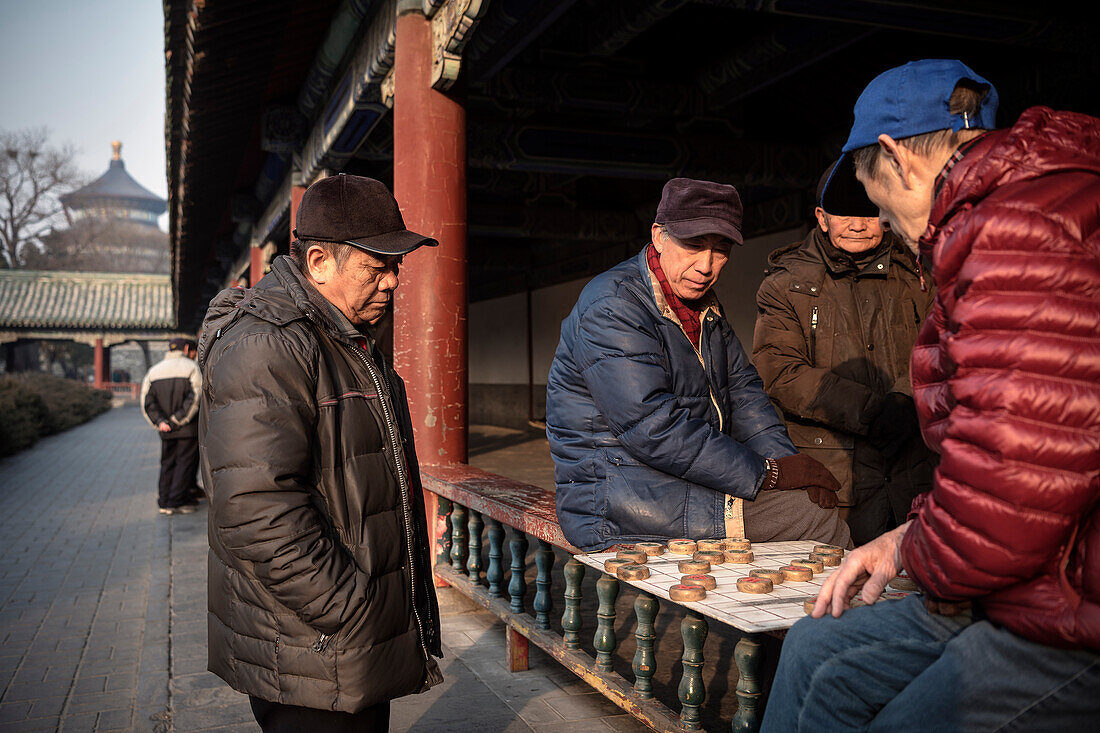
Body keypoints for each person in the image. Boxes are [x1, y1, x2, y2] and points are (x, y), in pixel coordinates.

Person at [762, 59, 1100, 731]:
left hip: (1070, 589)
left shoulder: (1018, 231)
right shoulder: (979, 223)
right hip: (1021, 559)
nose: (882, 222)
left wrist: (914, 545)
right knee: (815, 647)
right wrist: (909, 535)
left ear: (897, 158)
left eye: (881, 205)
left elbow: (1016, 481)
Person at [197, 174, 443, 732]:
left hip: (341, 641)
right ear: (318, 262)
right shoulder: (269, 342)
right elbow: (256, 509)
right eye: (376, 266)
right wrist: (351, 608)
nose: (393, 281)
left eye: (396, 265)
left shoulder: (343, 334)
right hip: (312, 642)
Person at [546, 178, 851, 552]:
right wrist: (768, 474)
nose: (706, 266)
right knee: (810, 518)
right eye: (693, 245)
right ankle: (850, 611)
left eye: (720, 251)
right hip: (616, 496)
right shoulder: (613, 306)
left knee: (806, 502)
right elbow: (652, 427)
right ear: (659, 236)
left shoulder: (703, 303)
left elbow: (743, 393)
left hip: (671, 478)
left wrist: (787, 463)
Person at [753, 159, 935, 545]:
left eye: (868, 212)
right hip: (836, 483)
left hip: (914, 474)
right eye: (843, 213)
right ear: (822, 218)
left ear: (885, 213)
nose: (857, 223)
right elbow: (781, 373)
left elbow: (942, 343)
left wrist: (906, 397)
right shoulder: (785, 285)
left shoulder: (916, 274)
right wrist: (874, 413)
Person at [140, 337, 202, 515]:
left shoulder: (154, 371)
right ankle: (176, 501)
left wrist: (160, 422)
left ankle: (164, 501)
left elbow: (147, 401)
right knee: (184, 464)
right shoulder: (192, 368)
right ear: (187, 348)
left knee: (167, 463)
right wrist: (177, 420)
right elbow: (195, 397)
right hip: (186, 429)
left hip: (165, 429)